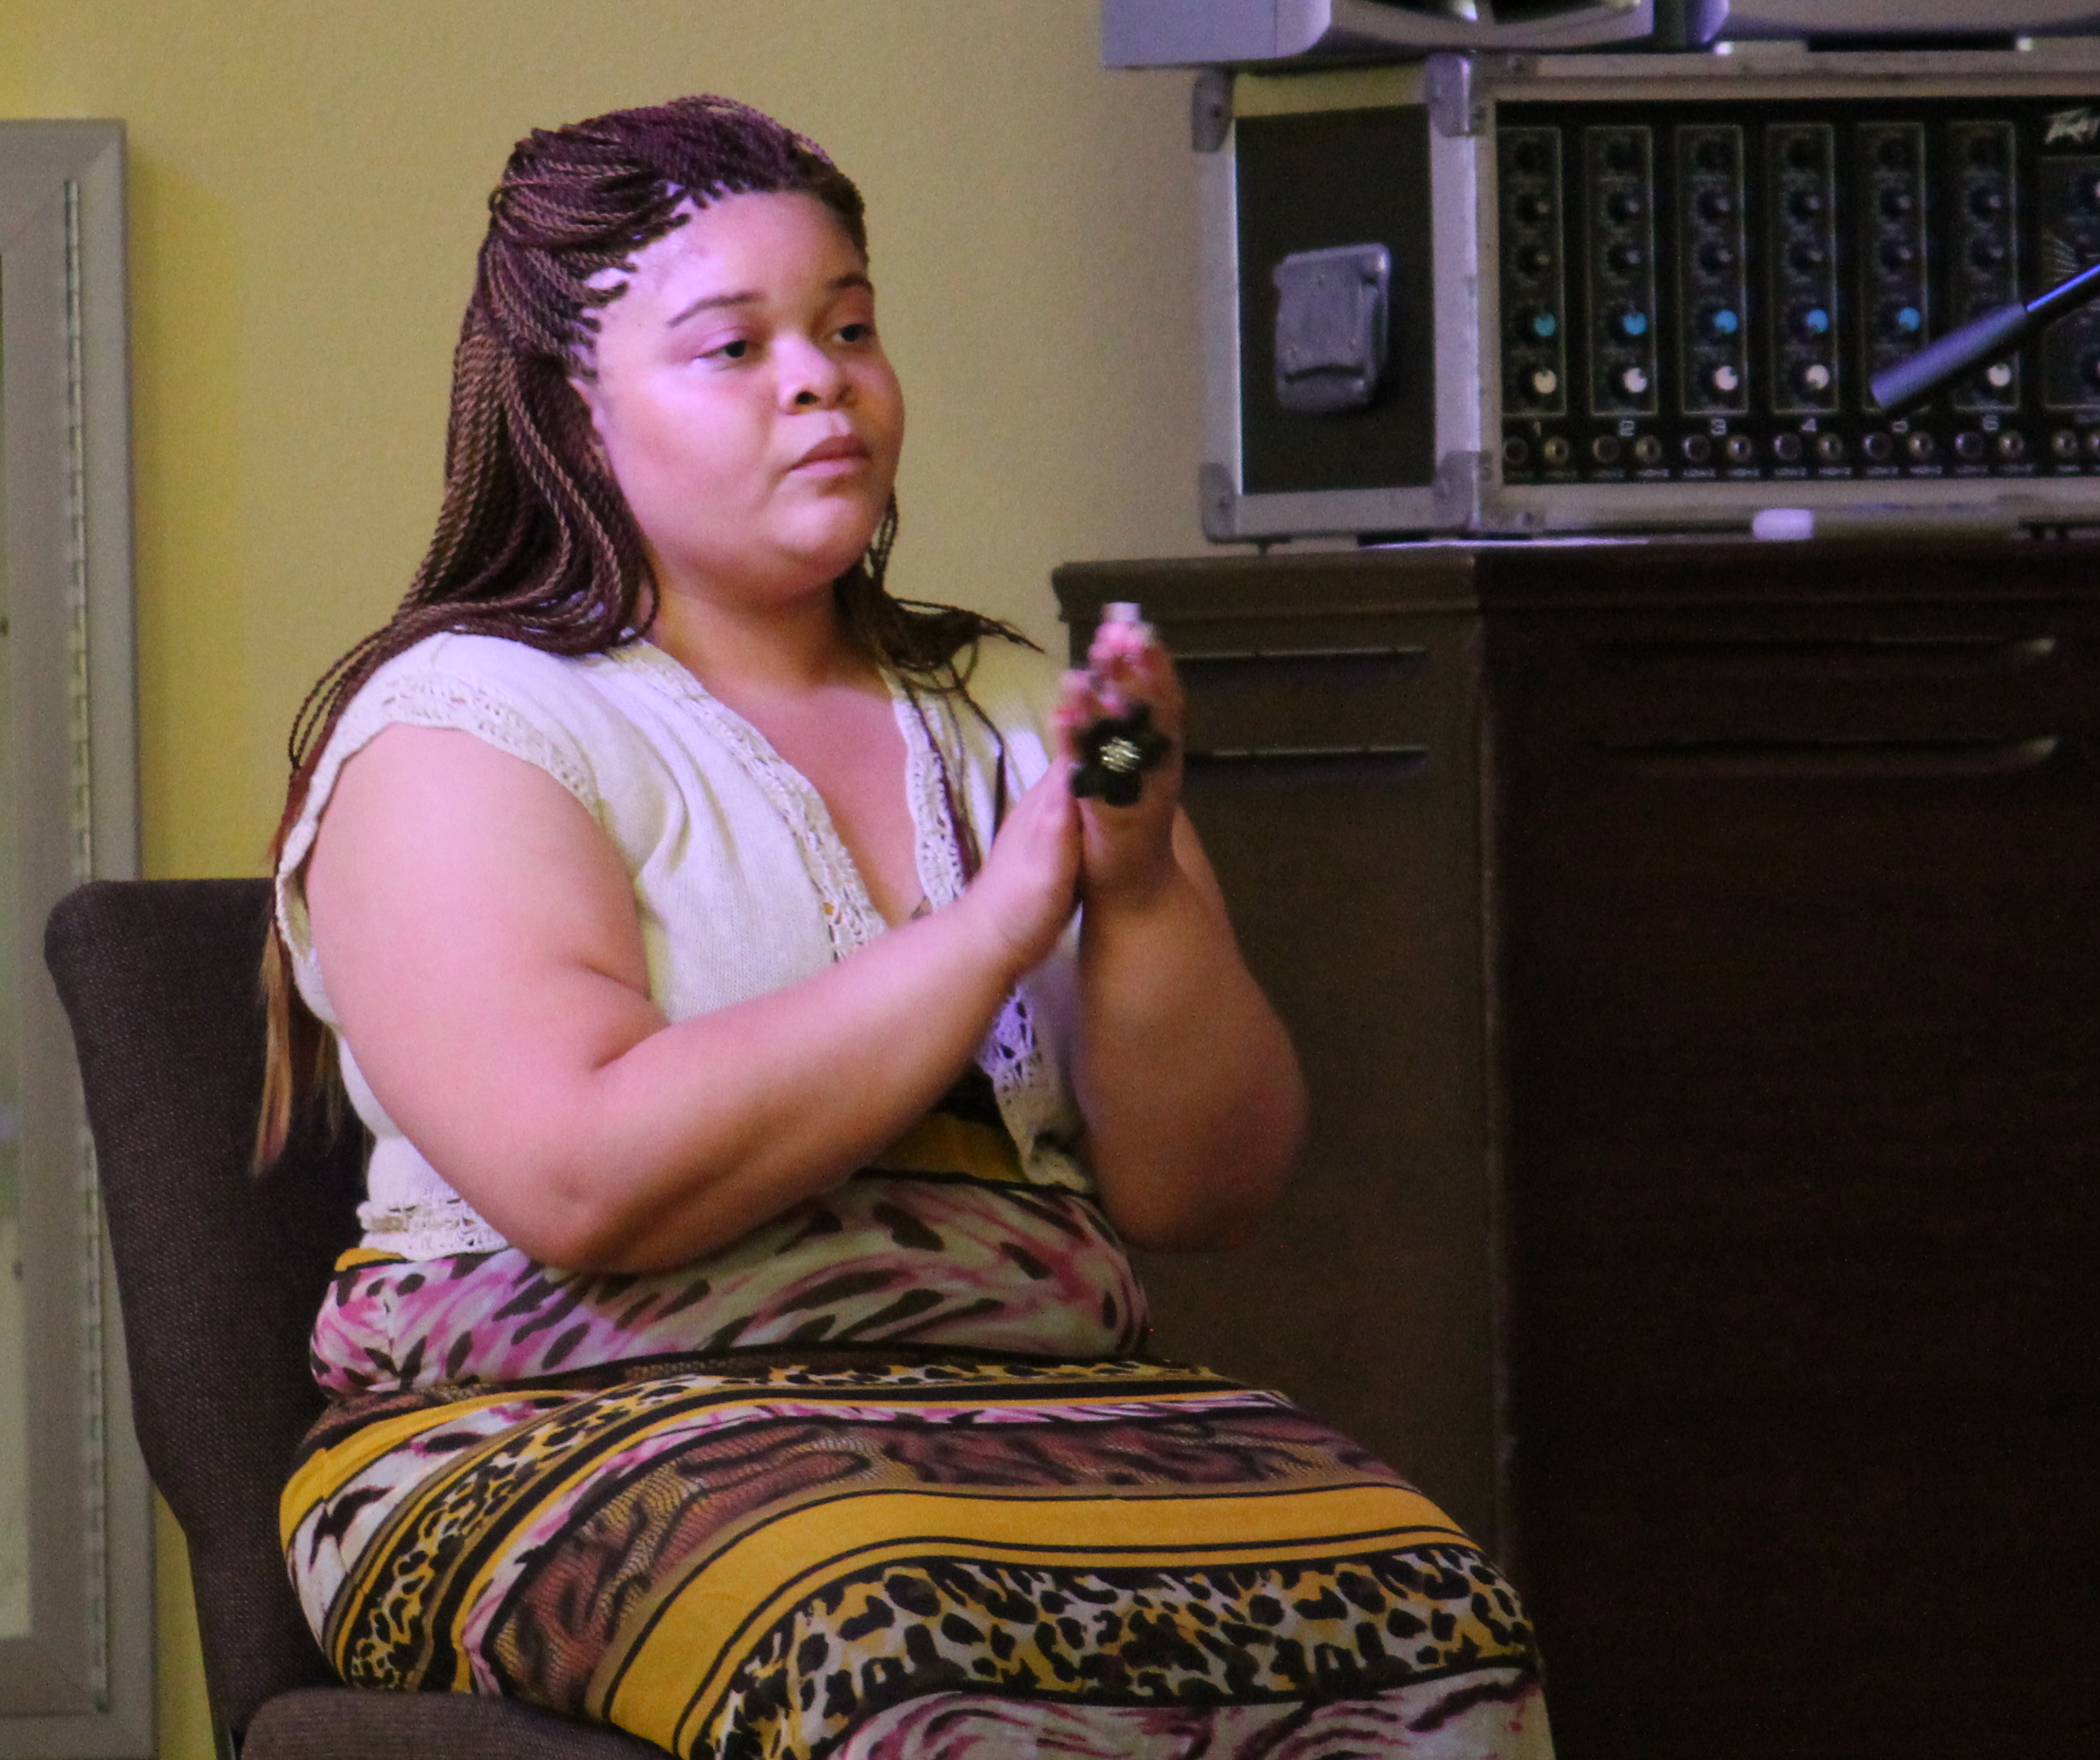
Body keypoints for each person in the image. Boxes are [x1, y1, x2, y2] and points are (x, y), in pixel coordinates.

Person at [264, 98, 1548, 1760]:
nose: (820, 380)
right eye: (735, 347)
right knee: (899, 1639)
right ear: (573, 413)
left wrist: (1135, 883)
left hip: (1029, 1412)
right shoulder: (466, 727)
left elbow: (1206, 1188)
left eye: (850, 327)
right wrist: (996, 925)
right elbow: (582, 1176)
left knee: (1429, 1615)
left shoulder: (1005, 704)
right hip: (543, 1431)